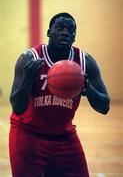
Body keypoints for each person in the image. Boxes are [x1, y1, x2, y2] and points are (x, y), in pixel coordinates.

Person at [9, 12, 110, 177]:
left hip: (63, 137)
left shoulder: (85, 62)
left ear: (75, 36)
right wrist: (27, 80)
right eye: (60, 27)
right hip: (28, 135)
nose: (65, 32)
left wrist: (88, 88)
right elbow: (18, 108)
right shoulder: (29, 59)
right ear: (49, 32)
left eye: (71, 30)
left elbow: (104, 107)